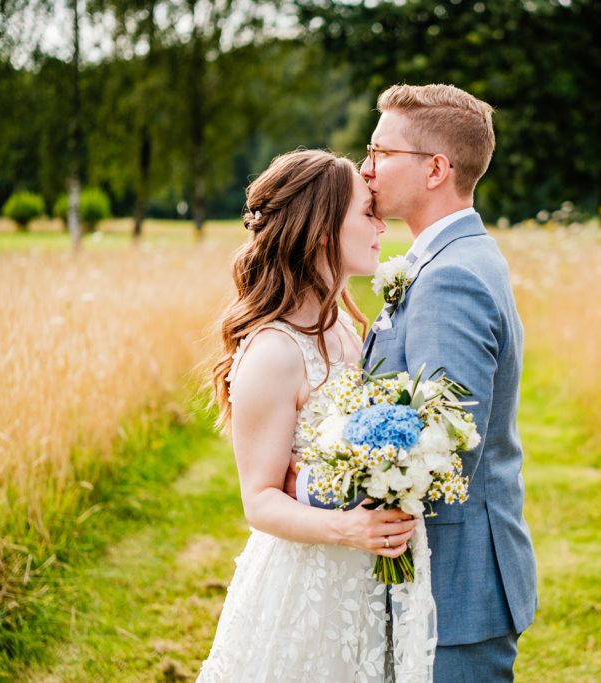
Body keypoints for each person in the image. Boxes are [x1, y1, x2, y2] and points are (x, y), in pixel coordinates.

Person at [293, 84, 538, 681]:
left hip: (455, 588)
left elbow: (443, 453)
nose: (365, 169)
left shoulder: (450, 278)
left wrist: (307, 493)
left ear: (435, 169)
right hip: (444, 581)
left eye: (379, 151)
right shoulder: (448, 259)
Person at [199, 149, 423, 681]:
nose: (382, 225)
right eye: (367, 212)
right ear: (322, 230)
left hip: (367, 580)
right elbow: (259, 501)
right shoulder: (275, 351)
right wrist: (349, 529)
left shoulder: (345, 325)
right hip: (309, 587)